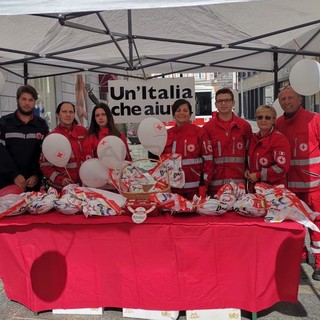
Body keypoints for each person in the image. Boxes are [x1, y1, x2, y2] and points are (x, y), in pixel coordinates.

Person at [276, 85, 320, 281]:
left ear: (299, 99)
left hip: (313, 185)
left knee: (317, 226)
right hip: (290, 187)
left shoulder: (315, 119)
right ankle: (299, 258)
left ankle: (319, 263)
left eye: (290, 98)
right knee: (294, 225)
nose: (287, 101)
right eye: (283, 99)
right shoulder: (278, 124)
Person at [0, 84, 49, 196]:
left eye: (30, 100)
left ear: (34, 102)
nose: (27, 103)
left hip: (33, 185)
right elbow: (1, 153)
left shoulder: (41, 125)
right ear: (17, 100)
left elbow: (44, 153)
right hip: (8, 183)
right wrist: (15, 175)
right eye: (23, 99)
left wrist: (37, 175)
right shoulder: (4, 123)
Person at [203, 88, 252, 196]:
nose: (224, 104)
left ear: (233, 103)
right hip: (215, 187)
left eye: (227, 100)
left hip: (238, 186)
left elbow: (250, 153)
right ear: (216, 104)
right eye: (220, 101)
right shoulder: (207, 128)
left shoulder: (244, 126)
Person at [162, 98, 213, 200]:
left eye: (185, 111)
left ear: (190, 114)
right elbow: (161, 163)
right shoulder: (165, 135)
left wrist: (204, 184)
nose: (181, 113)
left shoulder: (199, 132)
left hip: (195, 190)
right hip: (173, 190)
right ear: (173, 114)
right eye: (178, 110)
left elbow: (209, 162)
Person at [40, 101, 87, 190]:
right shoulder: (52, 137)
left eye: (71, 112)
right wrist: (60, 179)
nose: (68, 115)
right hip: (62, 189)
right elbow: (44, 165)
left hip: (84, 187)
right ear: (58, 115)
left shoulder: (83, 132)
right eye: (64, 112)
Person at [244, 105, 291, 191]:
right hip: (255, 190)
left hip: (274, 191)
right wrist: (247, 170)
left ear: (274, 120)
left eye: (268, 118)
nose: (263, 120)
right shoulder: (253, 139)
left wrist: (258, 175)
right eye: (260, 117)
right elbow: (250, 160)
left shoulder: (279, 140)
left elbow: (281, 168)